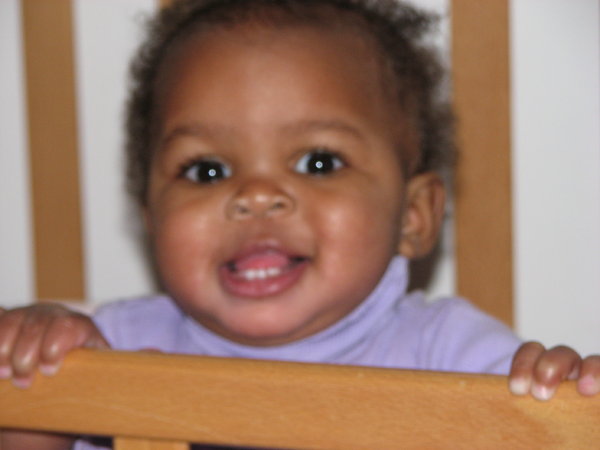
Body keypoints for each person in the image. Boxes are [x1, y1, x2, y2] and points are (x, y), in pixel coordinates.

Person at [1, 0, 599, 448]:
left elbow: (548, 430)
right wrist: (32, 375)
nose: (256, 195)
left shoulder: (451, 354)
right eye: (206, 170)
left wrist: (565, 401)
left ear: (413, 216)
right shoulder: (109, 350)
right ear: (151, 220)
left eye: (318, 162)